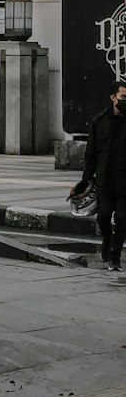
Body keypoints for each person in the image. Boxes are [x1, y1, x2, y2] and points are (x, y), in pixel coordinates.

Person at [71, 81, 126, 270]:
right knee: (103, 217)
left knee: (122, 218)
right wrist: (87, 179)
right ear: (113, 97)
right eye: (123, 97)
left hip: (125, 182)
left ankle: (115, 257)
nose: (125, 101)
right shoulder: (99, 121)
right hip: (104, 180)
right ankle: (107, 241)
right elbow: (91, 153)